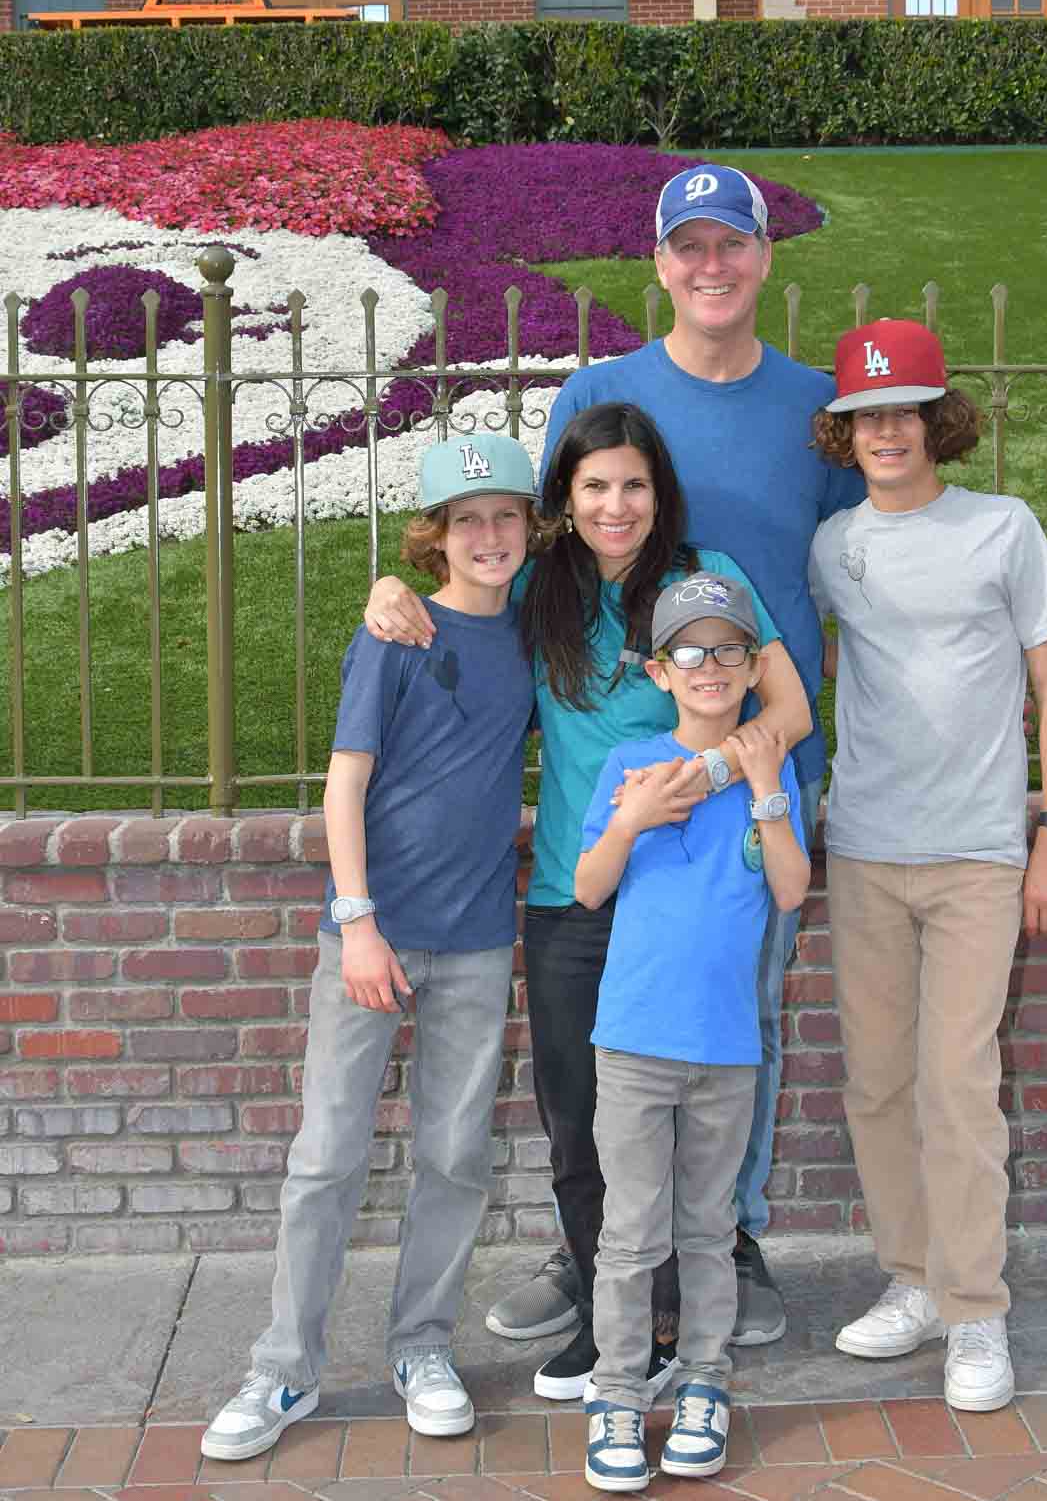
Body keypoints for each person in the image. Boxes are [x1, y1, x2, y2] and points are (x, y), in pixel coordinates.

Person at [485, 163, 866, 1347]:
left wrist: (745, 762)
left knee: (731, 1021)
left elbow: (863, 555)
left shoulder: (814, 408)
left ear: (763, 257)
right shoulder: (602, 392)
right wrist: (405, 594)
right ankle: (591, 1251)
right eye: (688, 246)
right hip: (621, 792)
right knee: (603, 1041)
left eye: (732, 244)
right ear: (657, 263)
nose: (712, 266)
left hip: (751, 775)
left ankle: (729, 1241)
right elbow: (535, 549)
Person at [364, 399, 812, 1401]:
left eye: (635, 485)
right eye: (595, 486)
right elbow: (451, 598)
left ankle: (678, 1317)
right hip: (575, 889)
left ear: (662, 493)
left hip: (675, 891)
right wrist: (390, 589)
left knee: (685, 1111)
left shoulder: (707, 582)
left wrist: (702, 782)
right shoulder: (538, 582)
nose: (617, 506)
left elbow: (787, 706)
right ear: (566, 496)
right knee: (577, 1113)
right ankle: (614, 1315)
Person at [201, 431, 542, 1461]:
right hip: (372, 936)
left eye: (506, 516)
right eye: (467, 519)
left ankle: (421, 1347)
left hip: (479, 941)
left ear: (531, 527)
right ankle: (283, 1371)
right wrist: (357, 922)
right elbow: (345, 782)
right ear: (433, 536)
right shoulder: (394, 633)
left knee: (452, 1154)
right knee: (325, 1159)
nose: (489, 535)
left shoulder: (534, 633)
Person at [808, 318, 1047, 1413]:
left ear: (938, 420)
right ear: (846, 429)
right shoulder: (835, 546)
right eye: (866, 413)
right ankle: (913, 1279)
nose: (886, 430)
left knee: (960, 1086)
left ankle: (977, 1313)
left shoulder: (1002, 529)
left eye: (904, 410)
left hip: (978, 852)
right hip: (867, 846)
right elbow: (819, 663)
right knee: (878, 1082)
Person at [577, 575, 810, 1493]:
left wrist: (765, 789)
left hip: (725, 1051)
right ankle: (618, 1392)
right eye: (689, 653)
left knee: (708, 1227)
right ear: (659, 672)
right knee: (631, 1233)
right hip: (634, 1042)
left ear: (753, 668)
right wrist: (632, 819)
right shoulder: (631, 765)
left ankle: (707, 1379)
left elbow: (790, 889)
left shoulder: (771, 769)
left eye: (727, 652)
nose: (709, 667)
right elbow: (589, 887)